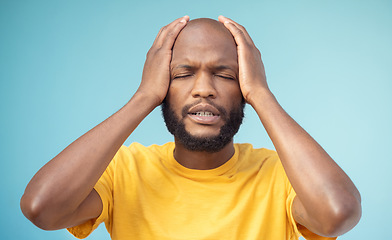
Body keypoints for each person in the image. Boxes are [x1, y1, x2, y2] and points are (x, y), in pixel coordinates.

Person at [20, 16, 361, 240]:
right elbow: (42, 208)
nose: (203, 89)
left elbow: (338, 213)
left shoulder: (282, 174)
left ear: (242, 86)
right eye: (183, 75)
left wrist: (261, 93)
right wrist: (142, 97)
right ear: (162, 86)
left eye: (225, 76)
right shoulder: (125, 170)